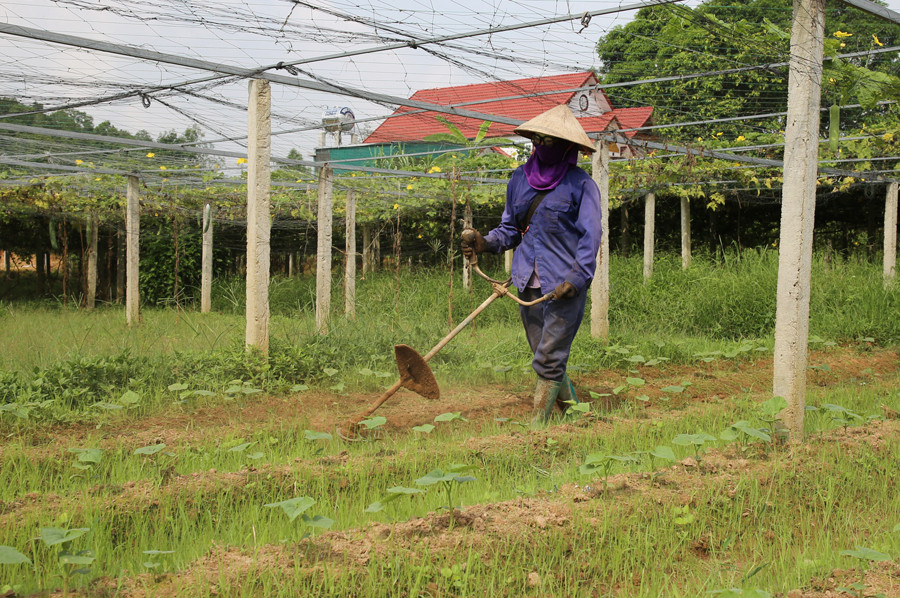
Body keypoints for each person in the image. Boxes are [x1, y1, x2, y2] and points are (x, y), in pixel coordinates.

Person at [461, 104, 602, 424]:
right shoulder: (519, 181)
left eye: (549, 140)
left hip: (564, 285)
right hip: (527, 283)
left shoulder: (581, 185)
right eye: (537, 139)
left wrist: (577, 279)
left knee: (549, 359)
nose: (541, 145)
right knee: (546, 356)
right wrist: (483, 243)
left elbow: (591, 236)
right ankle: (579, 417)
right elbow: (509, 230)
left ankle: (536, 429)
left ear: (567, 147)